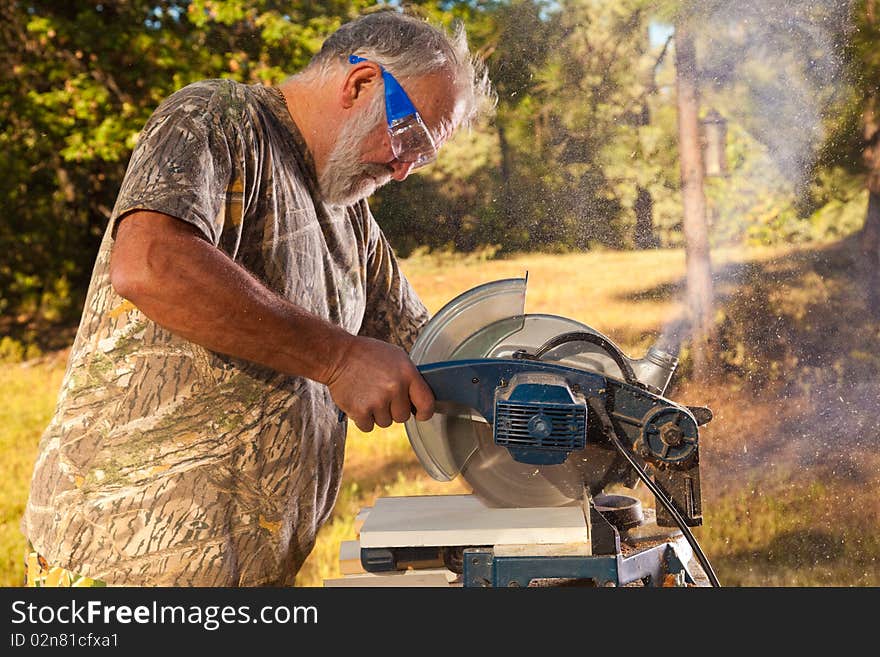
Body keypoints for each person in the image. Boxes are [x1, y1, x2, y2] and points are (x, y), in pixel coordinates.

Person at [21, 10, 495, 587]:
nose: (402, 170)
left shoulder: (353, 221)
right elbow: (150, 265)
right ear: (361, 82)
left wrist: (558, 392)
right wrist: (339, 358)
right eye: (409, 137)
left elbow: (437, 353)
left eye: (421, 157)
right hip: (125, 568)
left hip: (252, 576)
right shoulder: (218, 117)